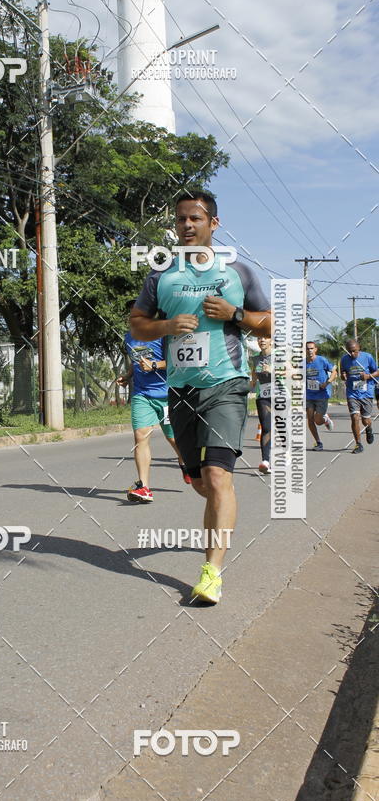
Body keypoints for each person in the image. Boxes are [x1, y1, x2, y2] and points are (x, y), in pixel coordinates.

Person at [131, 191, 271, 604]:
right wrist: (167, 325)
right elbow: (138, 325)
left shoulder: (237, 273)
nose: (187, 226)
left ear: (214, 223)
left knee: (217, 477)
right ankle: (217, 507)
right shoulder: (161, 277)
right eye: (180, 220)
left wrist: (236, 316)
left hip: (227, 385)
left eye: (195, 218)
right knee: (199, 483)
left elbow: (270, 325)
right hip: (181, 390)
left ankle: (211, 572)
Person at [118, 310, 190, 503]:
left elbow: (178, 360)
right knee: (140, 437)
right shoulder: (129, 337)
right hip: (142, 395)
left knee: (173, 438)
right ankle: (144, 487)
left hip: (167, 394)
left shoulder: (164, 335)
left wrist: (155, 365)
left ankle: (184, 461)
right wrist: (128, 375)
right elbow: (136, 362)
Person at [340, 339, 379, 453]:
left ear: (359, 349)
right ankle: (358, 444)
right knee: (355, 417)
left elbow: (377, 372)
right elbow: (343, 373)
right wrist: (343, 376)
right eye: (349, 352)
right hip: (352, 392)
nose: (352, 354)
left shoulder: (368, 357)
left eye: (354, 351)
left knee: (365, 419)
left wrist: (367, 376)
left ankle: (369, 428)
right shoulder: (344, 359)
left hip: (366, 392)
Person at [305, 341, 336, 450]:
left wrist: (327, 382)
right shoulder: (302, 363)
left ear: (315, 349)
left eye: (311, 348)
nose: (309, 351)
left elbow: (334, 371)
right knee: (309, 419)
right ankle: (318, 442)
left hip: (322, 394)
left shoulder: (322, 360)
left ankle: (325, 420)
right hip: (308, 395)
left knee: (317, 420)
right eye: (308, 349)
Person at [250, 336, 272, 473]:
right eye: (259, 338)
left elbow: (292, 373)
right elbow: (253, 378)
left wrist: (273, 370)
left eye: (265, 338)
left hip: (281, 396)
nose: (262, 340)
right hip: (264, 395)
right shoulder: (255, 359)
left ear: (272, 341)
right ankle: (265, 461)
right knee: (266, 427)